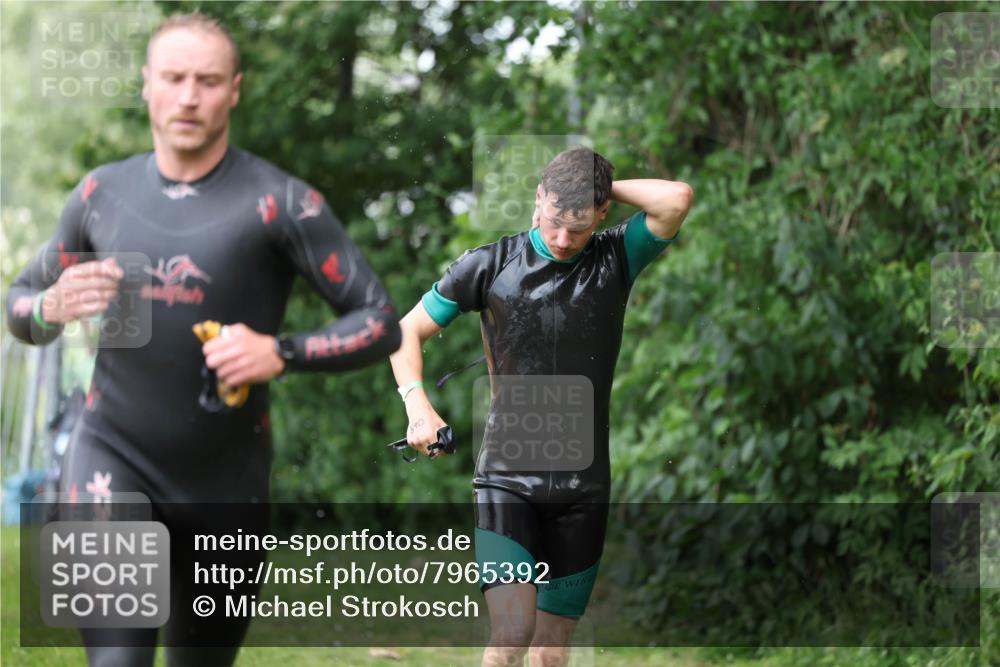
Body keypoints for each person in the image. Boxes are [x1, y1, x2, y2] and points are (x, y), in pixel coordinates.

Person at [6, 12, 401, 667]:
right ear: (148, 85)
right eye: (175, 77)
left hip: (226, 483)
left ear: (235, 90)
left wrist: (282, 351)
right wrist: (49, 305)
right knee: (117, 662)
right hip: (109, 458)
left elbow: (379, 319)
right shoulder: (102, 194)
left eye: (209, 80)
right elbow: (19, 304)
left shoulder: (281, 203)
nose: (190, 96)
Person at [389, 146, 692, 667]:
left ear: (601, 216)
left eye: (577, 227)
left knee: (551, 652)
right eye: (553, 220)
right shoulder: (489, 265)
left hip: (584, 486)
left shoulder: (616, 257)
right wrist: (418, 405)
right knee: (512, 632)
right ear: (538, 200)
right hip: (508, 479)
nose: (561, 238)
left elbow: (676, 198)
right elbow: (406, 331)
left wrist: (598, 186)